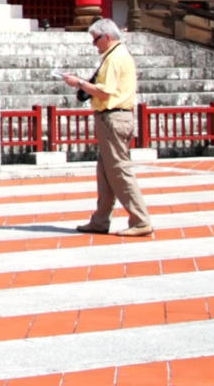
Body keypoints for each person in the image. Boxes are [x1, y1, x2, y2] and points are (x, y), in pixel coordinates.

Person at [59, 17, 152, 238]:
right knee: (105, 171)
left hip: (113, 116)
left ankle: (140, 220)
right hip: (113, 117)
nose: (94, 44)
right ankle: (100, 220)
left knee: (118, 169)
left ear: (107, 36)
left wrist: (79, 83)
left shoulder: (115, 58)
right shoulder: (116, 55)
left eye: (96, 39)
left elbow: (105, 91)